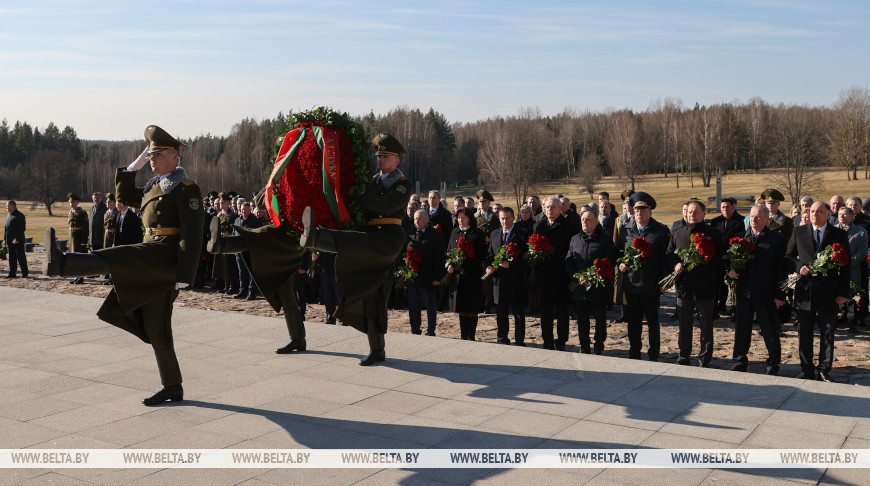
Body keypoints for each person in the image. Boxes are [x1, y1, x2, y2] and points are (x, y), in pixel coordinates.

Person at [43, 125, 205, 405]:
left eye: (157, 154)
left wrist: (184, 275)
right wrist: (133, 167)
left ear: (175, 156)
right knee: (157, 325)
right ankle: (173, 387)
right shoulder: (155, 185)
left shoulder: (186, 189)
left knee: (121, 256)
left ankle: (64, 263)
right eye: (149, 154)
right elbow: (124, 198)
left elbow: (193, 235)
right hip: (152, 253)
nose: (151, 158)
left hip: (165, 257)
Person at [300, 133, 412, 366]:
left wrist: (363, 197)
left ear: (396, 161)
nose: (380, 159)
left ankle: (315, 236)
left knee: (351, 242)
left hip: (387, 240)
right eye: (378, 155)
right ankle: (377, 350)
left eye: (385, 156)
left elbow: (385, 205)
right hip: (371, 236)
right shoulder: (372, 181)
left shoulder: (402, 184)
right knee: (372, 294)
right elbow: (361, 205)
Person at [786, 201, 850, 382]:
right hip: (805, 291)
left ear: (828, 214)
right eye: (812, 211)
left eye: (819, 211)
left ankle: (824, 369)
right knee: (804, 333)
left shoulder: (838, 234)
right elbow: (788, 257)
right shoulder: (799, 232)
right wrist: (800, 267)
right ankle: (806, 368)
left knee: (827, 332)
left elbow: (846, 265)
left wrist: (843, 292)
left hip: (829, 292)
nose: (814, 214)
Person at [728, 205, 787, 375]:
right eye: (752, 216)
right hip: (744, 292)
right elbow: (729, 262)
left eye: (758, 217)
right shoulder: (739, 238)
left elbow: (781, 269)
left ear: (767, 219)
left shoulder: (775, 240)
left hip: (766, 293)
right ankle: (739, 360)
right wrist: (730, 271)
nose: (754, 219)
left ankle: (773, 363)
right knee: (742, 329)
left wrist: (780, 294)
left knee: (770, 330)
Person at [668, 200, 725, 367]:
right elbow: (670, 253)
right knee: (684, 324)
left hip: (705, 286)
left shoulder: (713, 234)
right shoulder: (678, 232)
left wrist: (706, 260)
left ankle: (704, 357)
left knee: (706, 325)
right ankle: (684, 355)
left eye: (696, 212)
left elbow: (721, 257)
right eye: (689, 212)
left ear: (704, 214)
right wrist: (675, 264)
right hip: (684, 287)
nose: (691, 215)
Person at [617, 192, 671, 361]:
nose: (639, 213)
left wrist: (663, 282)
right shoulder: (625, 230)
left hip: (651, 285)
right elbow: (618, 252)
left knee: (653, 323)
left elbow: (666, 259)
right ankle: (634, 351)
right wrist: (620, 264)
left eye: (643, 210)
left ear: (650, 212)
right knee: (633, 322)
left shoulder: (661, 231)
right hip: (632, 284)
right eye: (637, 210)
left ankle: (654, 353)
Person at [566, 208, 616, 354]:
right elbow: (569, 261)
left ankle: (599, 344)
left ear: (596, 222)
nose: (584, 222)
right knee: (582, 319)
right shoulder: (575, 238)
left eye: (588, 219)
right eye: (582, 219)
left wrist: (594, 276)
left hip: (598, 287)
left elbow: (609, 261)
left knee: (600, 318)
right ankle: (584, 345)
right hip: (580, 287)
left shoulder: (605, 239)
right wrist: (577, 276)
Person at [532, 196, 578, 350]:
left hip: (562, 275)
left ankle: (561, 340)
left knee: (562, 310)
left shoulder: (569, 226)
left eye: (553, 207)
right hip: (544, 275)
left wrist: (554, 251)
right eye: (547, 207)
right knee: (545, 310)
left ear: (560, 209)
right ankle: (547, 339)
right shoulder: (538, 226)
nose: (549, 210)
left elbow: (571, 251)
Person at [485, 207, 529, 345]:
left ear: (513, 218)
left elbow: (526, 259)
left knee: (518, 312)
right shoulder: (495, 233)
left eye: (507, 218)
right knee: (501, 311)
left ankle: (519, 340)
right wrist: (489, 266)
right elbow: (490, 255)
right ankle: (502, 338)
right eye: (502, 218)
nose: (505, 221)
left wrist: (511, 265)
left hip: (516, 280)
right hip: (499, 280)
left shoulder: (522, 234)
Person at [446, 207, 486, 340]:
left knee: (472, 308)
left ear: (469, 218)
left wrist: (468, 257)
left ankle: (471, 336)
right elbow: (449, 252)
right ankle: (464, 336)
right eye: (458, 218)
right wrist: (450, 264)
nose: (460, 220)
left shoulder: (477, 233)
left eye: (463, 217)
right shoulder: (454, 232)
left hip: (473, 276)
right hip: (458, 276)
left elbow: (482, 254)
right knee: (461, 308)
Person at [405, 209, 446, 335]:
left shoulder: (436, 235)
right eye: (415, 218)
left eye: (420, 218)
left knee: (430, 306)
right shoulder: (410, 234)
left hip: (429, 278)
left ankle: (430, 330)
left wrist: (438, 277)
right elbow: (403, 254)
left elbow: (440, 258)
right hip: (413, 278)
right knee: (413, 306)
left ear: (427, 220)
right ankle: (415, 329)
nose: (417, 221)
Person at [835, 207, 868, 333]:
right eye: (839, 214)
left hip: (852, 269)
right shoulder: (832, 229)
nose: (841, 217)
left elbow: (862, 252)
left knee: (851, 294)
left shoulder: (860, 232)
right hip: (835, 268)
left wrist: (846, 263)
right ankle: (841, 316)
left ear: (852, 216)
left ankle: (852, 321)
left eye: (844, 214)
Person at [710, 197, 745, 315]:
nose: (725, 209)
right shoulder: (715, 221)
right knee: (716, 283)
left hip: (733, 258)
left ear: (733, 207)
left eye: (727, 207)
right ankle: (716, 307)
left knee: (734, 284)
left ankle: (735, 309)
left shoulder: (741, 221)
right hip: (717, 258)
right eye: (723, 207)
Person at [233, 201, 262, 300]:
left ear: (250, 210)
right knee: (242, 272)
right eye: (242, 209)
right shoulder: (237, 220)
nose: (243, 211)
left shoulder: (255, 221)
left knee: (251, 273)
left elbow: (258, 236)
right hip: (239, 251)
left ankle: (251, 292)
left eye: (245, 209)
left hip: (250, 251)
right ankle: (242, 291)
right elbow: (234, 234)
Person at [66, 192, 89, 284]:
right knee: (73, 258)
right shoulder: (70, 212)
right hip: (72, 238)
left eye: (73, 202)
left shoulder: (82, 213)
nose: (71, 204)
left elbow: (85, 228)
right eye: (70, 202)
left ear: (77, 202)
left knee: (79, 258)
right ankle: (76, 275)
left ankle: (81, 277)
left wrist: (83, 241)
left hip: (79, 238)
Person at [4, 201, 28, 278]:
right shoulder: (8, 216)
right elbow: (6, 229)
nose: (6, 208)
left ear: (12, 206)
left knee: (21, 258)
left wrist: (17, 238)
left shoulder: (20, 216)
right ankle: (12, 273)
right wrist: (5, 239)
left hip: (18, 241)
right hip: (10, 241)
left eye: (7, 206)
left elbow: (22, 228)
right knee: (12, 258)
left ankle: (24, 273)